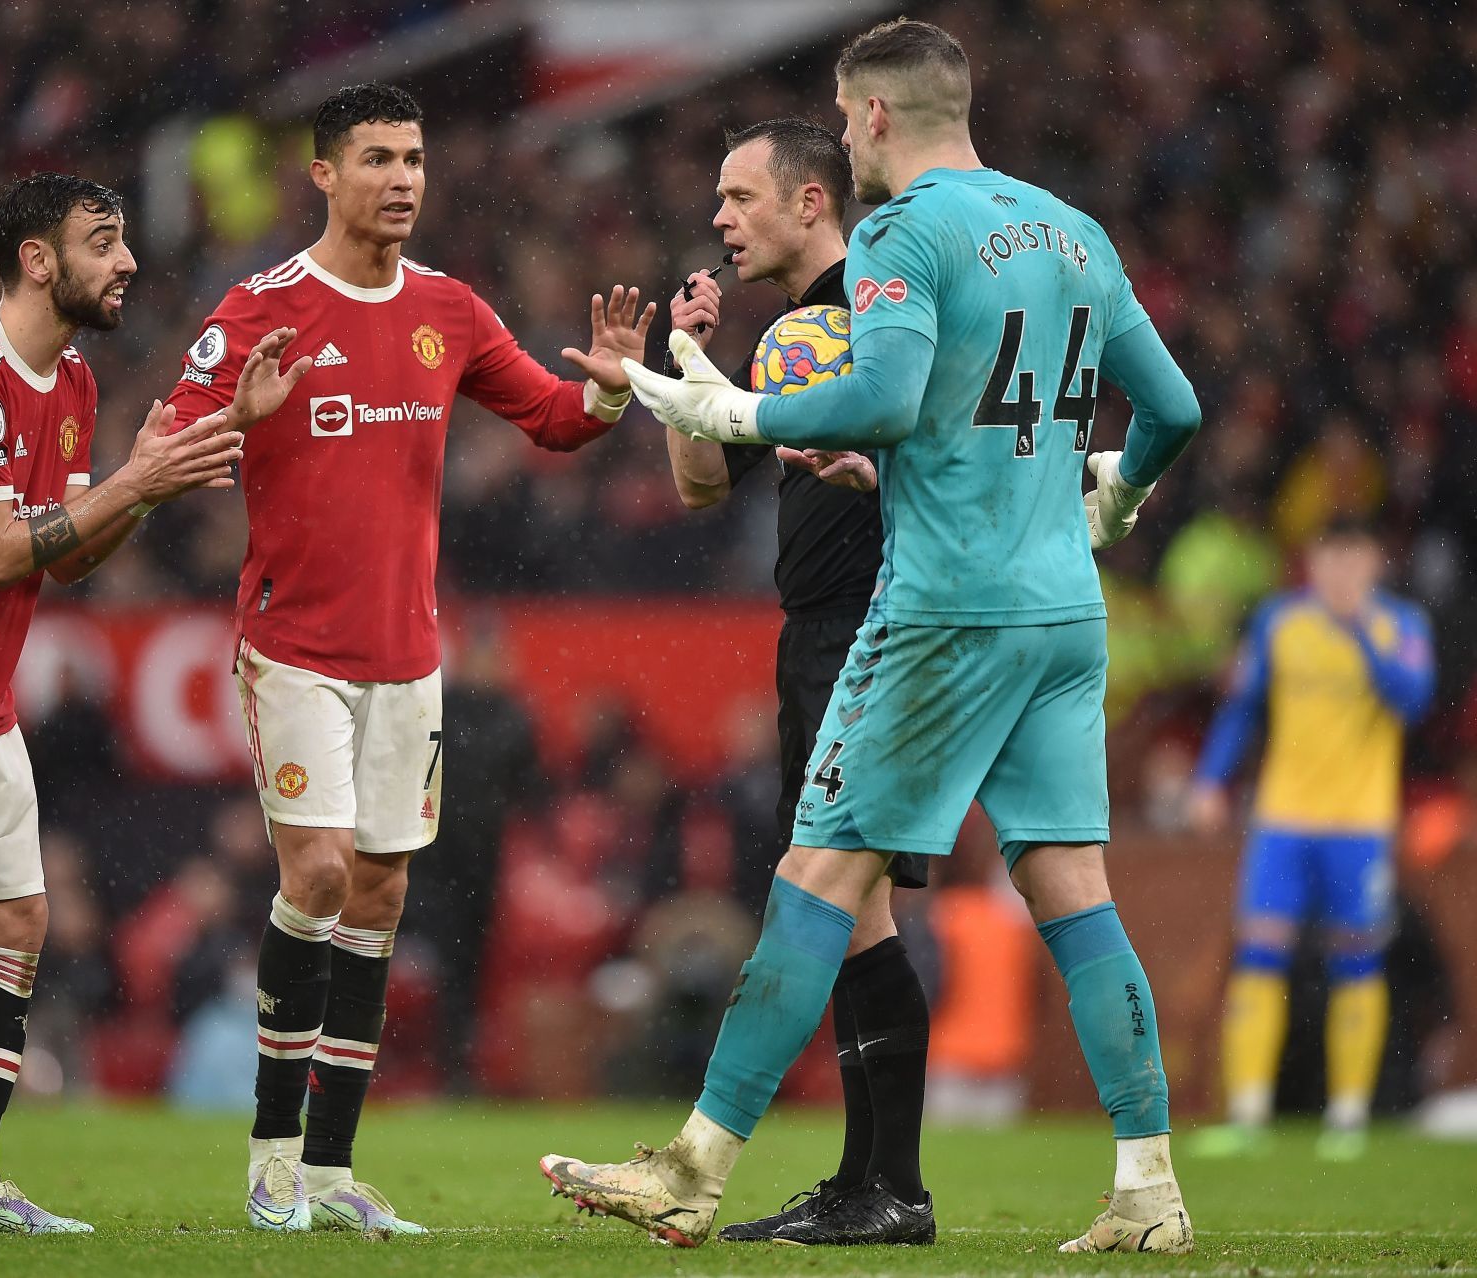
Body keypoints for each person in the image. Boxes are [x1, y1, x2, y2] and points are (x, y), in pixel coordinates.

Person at [541, 19, 1202, 1252]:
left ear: (878, 116)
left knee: (813, 881)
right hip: (1064, 612)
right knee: (1075, 896)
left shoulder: (905, 232)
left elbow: (889, 393)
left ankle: (692, 1168)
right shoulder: (1074, 230)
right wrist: (1115, 492)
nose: (847, 143)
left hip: (944, 613)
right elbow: (1172, 407)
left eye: (846, 123)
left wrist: (737, 406)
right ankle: (1147, 1189)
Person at [164, 82, 653, 1237]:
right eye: (377, 158)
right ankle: (271, 1159)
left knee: (381, 892)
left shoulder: (449, 308)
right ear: (323, 175)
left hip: (407, 659)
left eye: (416, 158)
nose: (403, 179)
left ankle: (331, 1174)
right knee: (320, 877)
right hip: (293, 649)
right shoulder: (262, 306)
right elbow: (163, 440)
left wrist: (611, 388)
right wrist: (236, 416)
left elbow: (552, 418)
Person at [0, 173, 308, 1234]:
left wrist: (151, 481)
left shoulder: (73, 382)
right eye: (103, 241)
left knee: (19, 919)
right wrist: (135, 483)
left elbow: (69, 560)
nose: (126, 261)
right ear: (39, 260)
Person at [661, 117, 932, 1245]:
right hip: (818, 634)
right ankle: (874, 1186)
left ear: (810, 201)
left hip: (875, 626)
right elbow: (699, 487)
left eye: (739, 196)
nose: (720, 219)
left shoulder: (878, 305)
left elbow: (930, 441)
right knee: (852, 910)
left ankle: (887, 1187)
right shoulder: (789, 330)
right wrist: (687, 357)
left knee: (839, 901)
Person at [1189, 516, 1434, 1161]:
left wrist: (1359, 633)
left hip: (1360, 825)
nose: (1340, 574)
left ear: (1374, 563)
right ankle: (1247, 1115)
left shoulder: (1402, 628)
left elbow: (1414, 699)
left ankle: (1348, 1117)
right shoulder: (1279, 623)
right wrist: (1212, 779)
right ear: (1312, 564)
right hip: (1283, 821)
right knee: (1260, 955)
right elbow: (1244, 707)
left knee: (1355, 960)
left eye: (1353, 560)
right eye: (1329, 559)